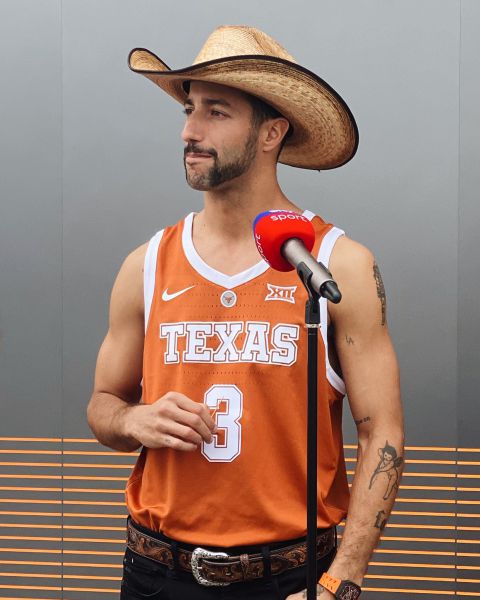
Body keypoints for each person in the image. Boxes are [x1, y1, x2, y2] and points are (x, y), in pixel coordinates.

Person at [87, 25, 404, 600]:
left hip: (291, 578)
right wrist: (132, 420)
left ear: (271, 132)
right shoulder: (146, 264)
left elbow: (381, 431)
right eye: (189, 109)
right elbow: (103, 405)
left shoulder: (338, 264)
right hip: (156, 574)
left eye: (217, 112)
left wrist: (342, 581)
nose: (190, 131)